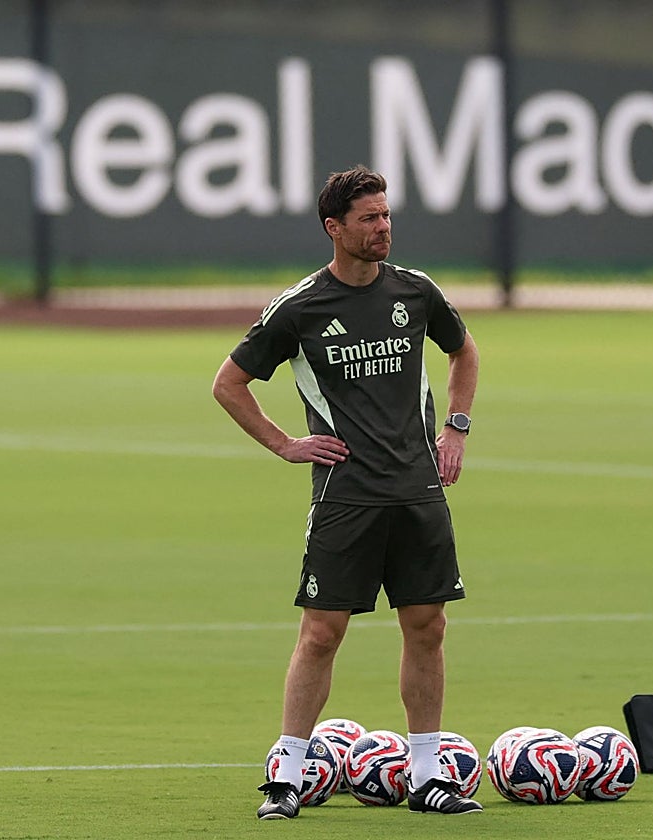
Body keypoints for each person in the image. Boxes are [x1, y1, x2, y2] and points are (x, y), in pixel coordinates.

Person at [211, 165, 481, 819]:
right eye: (369, 218)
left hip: (418, 490)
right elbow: (229, 383)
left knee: (427, 626)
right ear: (335, 228)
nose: (383, 227)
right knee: (321, 634)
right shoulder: (300, 307)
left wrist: (456, 429)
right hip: (346, 495)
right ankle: (286, 775)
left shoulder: (416, 292)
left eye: (387, 215)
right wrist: (285, 444)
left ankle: (427, 776)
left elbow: (464, 352)